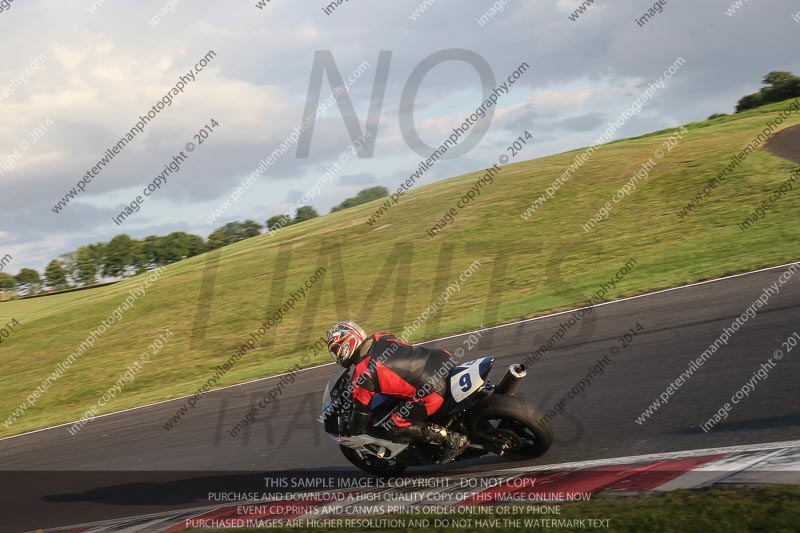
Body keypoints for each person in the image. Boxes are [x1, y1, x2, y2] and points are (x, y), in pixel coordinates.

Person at [326, 320, 469, 464]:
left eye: (335, 349)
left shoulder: (363, 375)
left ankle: (451, 439)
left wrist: (349, 430)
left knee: (394, 425)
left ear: (347, 344)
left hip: (432, 390)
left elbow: (361, 413)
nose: (336, 355)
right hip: (443, 359)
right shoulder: (380, 337)